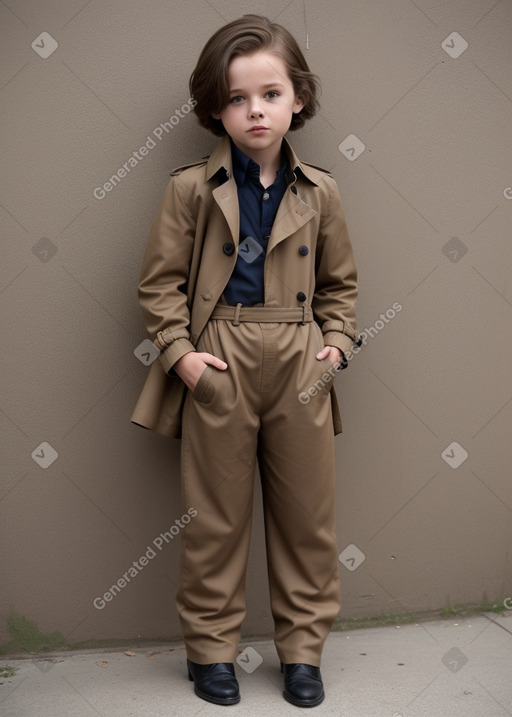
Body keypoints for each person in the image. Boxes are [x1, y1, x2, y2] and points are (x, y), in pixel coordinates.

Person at [131, 14, 360, 708]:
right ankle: (210, 653)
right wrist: (184, 359)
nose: (254, 109)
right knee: (213, 519)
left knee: (307, 520)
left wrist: (336, 345)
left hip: (298, 357)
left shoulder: (321, 191)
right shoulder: (189, 189)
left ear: (298, 100)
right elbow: (158, 285)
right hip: (219, 357)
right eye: (236, 97)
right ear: (214, 108)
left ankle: (302, 655)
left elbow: (342, 286)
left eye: (269, 93)